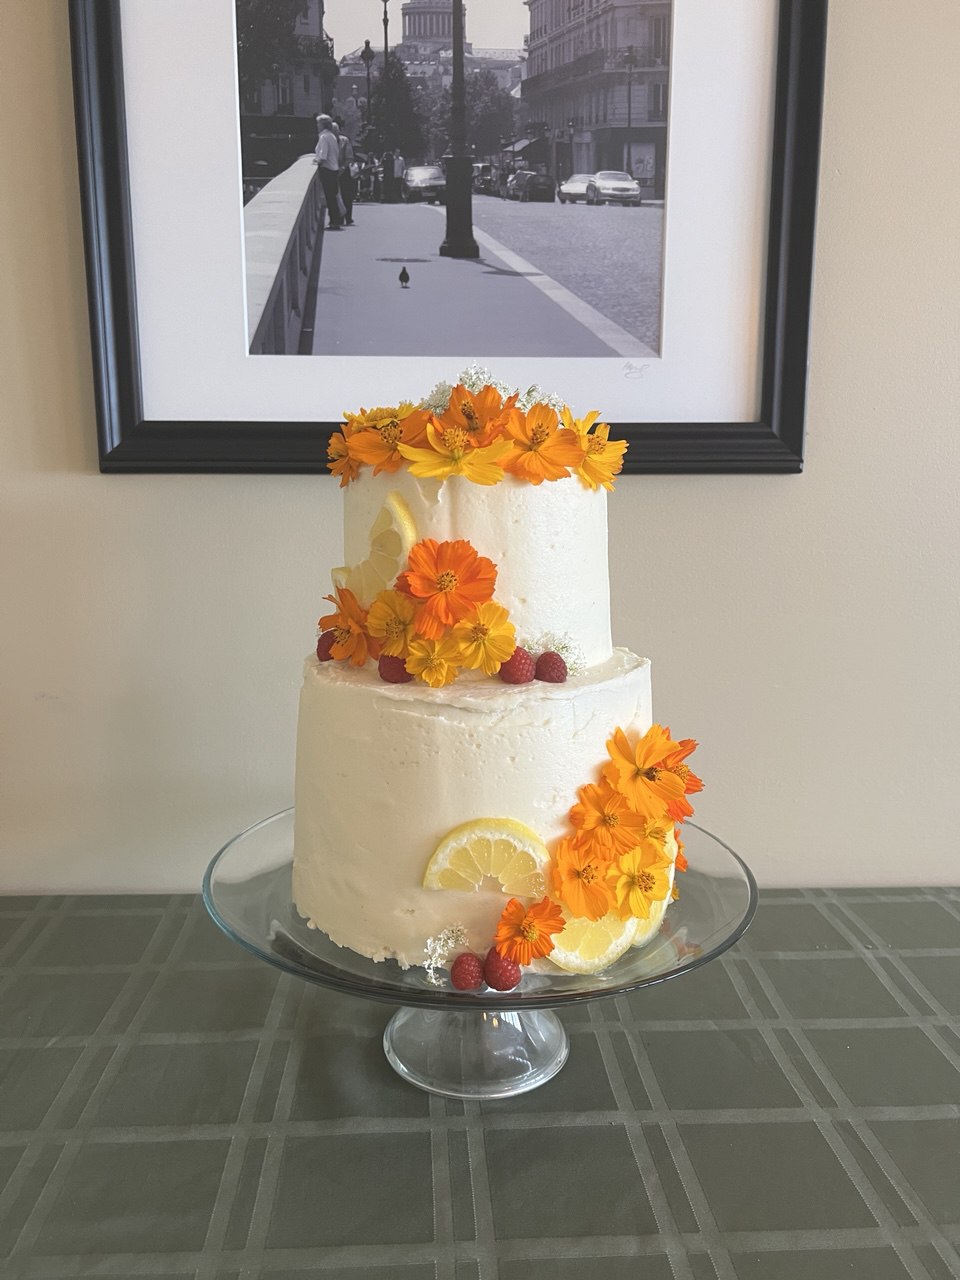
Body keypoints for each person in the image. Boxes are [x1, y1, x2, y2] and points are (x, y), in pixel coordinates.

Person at [314, 114, 342, 229]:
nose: (317, 125)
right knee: (333, 197)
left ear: (322, 124)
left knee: (330, 197)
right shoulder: (332, 136)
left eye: (318, 123)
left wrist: (317, 160)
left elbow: (323, 155)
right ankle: (335, 220)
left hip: (327, 169)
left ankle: (334, 222)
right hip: (334, 169)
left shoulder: (324, 137)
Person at [332, 120, 357, 226]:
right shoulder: (327, 141)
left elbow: (349, 157)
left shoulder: (344, 140)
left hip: (344, 170)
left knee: (347, 195)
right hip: (332, 170)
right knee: (334, 195)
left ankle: (348, 217)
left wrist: (342, 168)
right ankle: (336, 218)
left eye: (335, 131)